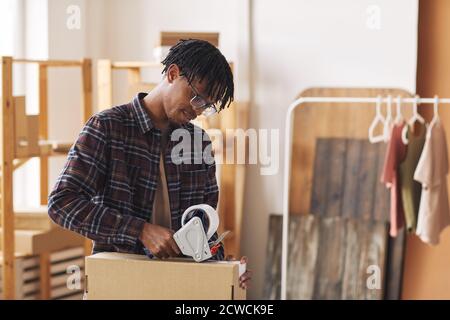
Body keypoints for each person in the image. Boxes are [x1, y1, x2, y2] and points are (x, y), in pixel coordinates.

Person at [48, 39, 251, 289]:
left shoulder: (198, 143)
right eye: (196, 97)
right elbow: (62, 203)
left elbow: (203, 232)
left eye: (207, 106)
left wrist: (225, 269)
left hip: (180, 285)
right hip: (119, 281)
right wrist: (139, 230)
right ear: (173, 73)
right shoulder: (108, 127)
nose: (198, 110)